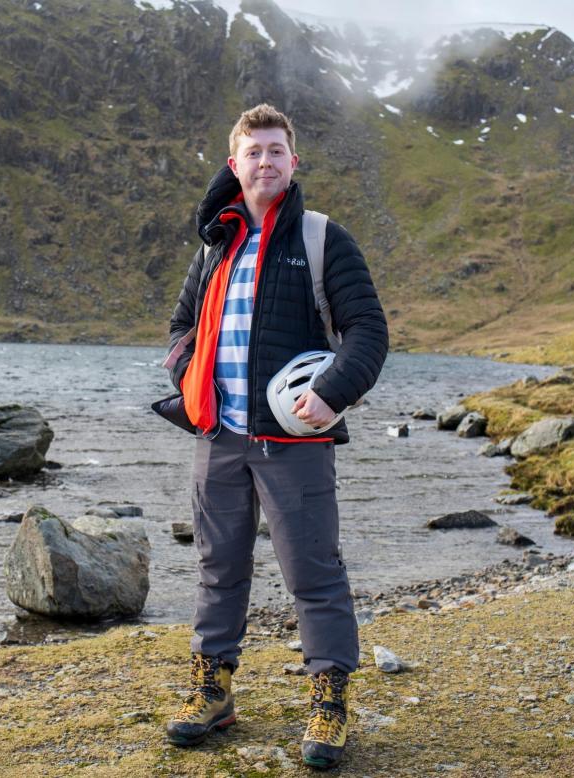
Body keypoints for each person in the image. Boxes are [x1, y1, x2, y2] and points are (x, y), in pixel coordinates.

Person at [162, 103, 388, 769]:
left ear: (293, 163)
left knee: (313, 572)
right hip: (216, 435)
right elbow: (180, 329)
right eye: (252, 152)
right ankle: (212, 692)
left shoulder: (322, 239)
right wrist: (186, 377)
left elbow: (367, 331)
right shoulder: (214, 244)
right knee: (216, 568)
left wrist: (332, 392)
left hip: (293, 443)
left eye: (275, 151)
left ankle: (328, 704)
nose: (264, 161)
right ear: (234, 165)